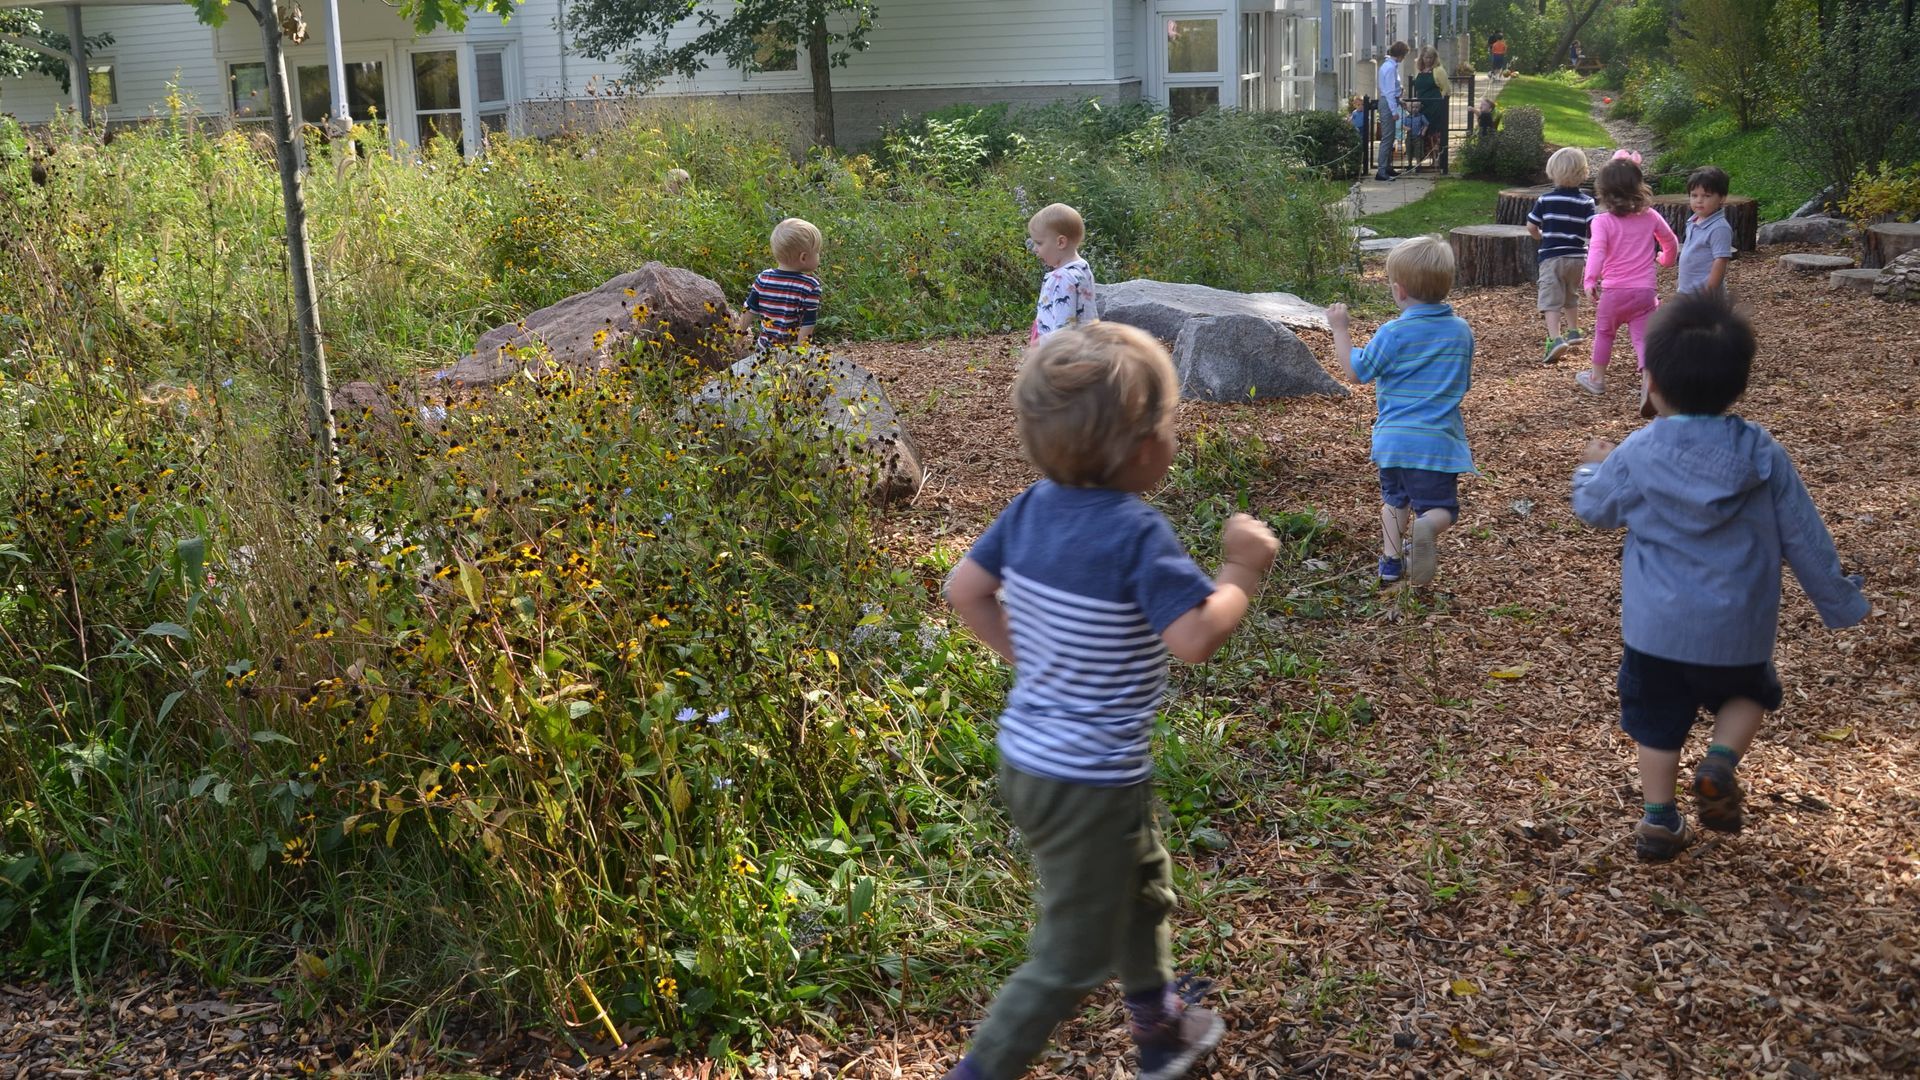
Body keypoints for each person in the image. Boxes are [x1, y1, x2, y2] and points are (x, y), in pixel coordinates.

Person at [942, 322, 1280, 1080]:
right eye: (1169, 424)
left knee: (1142, 884)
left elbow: (964, 590)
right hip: (1088, 779)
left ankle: (1158, 1025)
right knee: (1070, 958)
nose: (1174, 436)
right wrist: (1241, 570)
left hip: (1032, 756)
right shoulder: (1136, 533)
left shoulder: (1031, 506)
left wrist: (1033, 659)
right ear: (1139, 450)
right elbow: (1193, 638)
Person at [1570, 294, 1868, 862]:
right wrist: (1839, 601)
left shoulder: (1637, 451)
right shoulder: (1761, 452)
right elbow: (1803, 533)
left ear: (1650, 381)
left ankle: (1659, 820)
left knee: (1655, 722)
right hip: (1739, 625)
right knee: (1749, 692)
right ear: (1737, 385)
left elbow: (1596, 510)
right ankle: (1719, 762)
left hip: (1656, 630)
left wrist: (1591, 465)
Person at [1327, 236, 1475, 587]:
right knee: (1440, 508)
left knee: (1394, 501)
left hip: (1394, 441)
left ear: (1399, 290)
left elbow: (1356, 371)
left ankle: (1391, 563)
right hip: (1437, 442)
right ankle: (1427, 526)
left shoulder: (1393, 333)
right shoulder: (1461, 332)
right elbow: (1462, 384)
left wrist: (1339, 329)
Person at [1576, 151, 1678, 404]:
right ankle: (1649, 381)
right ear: (1638, 187)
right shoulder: (1651, 217)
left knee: (1604, 333)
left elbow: (1597, 252)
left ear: (1603, 192)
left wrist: (1590, 280)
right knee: (1643, 339)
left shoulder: (1601, 222)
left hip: (1614, 292)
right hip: (1644, 293)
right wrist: (1666, 260)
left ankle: (1597, 380)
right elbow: (1671, 242)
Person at [1527, 147, 1598, 363]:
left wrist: (1540, 236)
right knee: (1570, 294)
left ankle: (1555, 338)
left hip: (1552, 257)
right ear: (1583, 173)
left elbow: (1531, 226)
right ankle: (1574, 331)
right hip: (1577, 258)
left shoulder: (1545, 200)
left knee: (1551, 299)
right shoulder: (1587, 202)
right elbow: (1593, 230)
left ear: (1553, 172)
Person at [741, 217, 823, 352]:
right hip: (790, 353)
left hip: (762, 350)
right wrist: (803, 354)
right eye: (817, 252)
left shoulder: (764, 278)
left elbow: (749, 310)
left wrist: (738, 336)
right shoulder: (810, 287)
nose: (819, 256)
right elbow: (807, 324)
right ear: (803, 257)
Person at [1027, 202, 1097, 344]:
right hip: (1085, 348)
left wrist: (1040, 345)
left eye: (1039, 243)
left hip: (1061, 357)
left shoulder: (1063, 278)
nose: (1035, 249)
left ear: (1060, 242)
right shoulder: (1082, 268)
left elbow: (1064, 329)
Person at [1677, 166, 1735, 298]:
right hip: (1687, 291)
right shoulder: (1693, 221)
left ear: (1722, 198)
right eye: (1694, 195)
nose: (1699, 200)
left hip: (1704, 296)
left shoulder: (1719, 228)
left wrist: (1710, 292)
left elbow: (1720, 261)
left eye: (1706, 196)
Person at [1375, 41, 1410, 182]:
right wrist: (1394, 110)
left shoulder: (1389, 66)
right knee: (1387, 137)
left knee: (1390, 138)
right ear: (1401, 55)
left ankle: (1387, 167)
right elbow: (1389, 91)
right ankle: (1382, 170)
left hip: (1391, 101)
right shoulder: (1390, 68)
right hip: (1388, 103)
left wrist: (1398, 100)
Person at [1413, 47, 1449, 162]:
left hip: (1435, 106)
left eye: (1430, 58)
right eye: (1425, 57)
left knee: (1434, 131)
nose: (1428, 60)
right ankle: (1421, 158)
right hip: (1422, 106)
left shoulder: (1438, 70)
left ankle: (1437, 159)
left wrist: (1441, 102)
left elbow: (1446, 89)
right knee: (1422, 132)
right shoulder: (1420, 70)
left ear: (1434, 58)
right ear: (1422, 58)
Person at [1398, 102, 1429, 168]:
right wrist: (1406, 128)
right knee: (1409, 150)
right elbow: (1402, 125)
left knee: (1418, 151)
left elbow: (1426, 124)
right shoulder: (1407, 117)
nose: (1415, 109)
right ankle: (1409, 164)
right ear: (1409, 108)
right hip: (1409, 136)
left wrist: (1423, 131)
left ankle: (1418, 165)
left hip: (1418, 137)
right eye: (1413, 107)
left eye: (1416, 107)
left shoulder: (1421, 116)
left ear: (1419, 108)